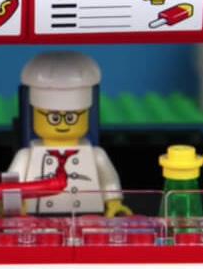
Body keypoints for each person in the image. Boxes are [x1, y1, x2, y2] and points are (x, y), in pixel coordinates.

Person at [9, 51, 132, 216]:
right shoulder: (26, 156)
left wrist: (113, 202)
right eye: (54, 118)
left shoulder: (96, 154)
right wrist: (13, 206)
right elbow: (12, 184)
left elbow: (109, 180)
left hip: (88, 215)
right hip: (38, 218)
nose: (62, 124)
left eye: (71, 118)